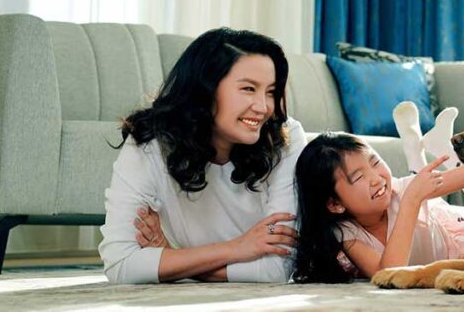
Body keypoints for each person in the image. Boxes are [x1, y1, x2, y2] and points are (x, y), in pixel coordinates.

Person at [98, 28, 307, 284]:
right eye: (249, 89)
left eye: (271, 92)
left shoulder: (285, 138)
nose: (263, 107)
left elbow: (275, 271)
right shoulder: (149, 141)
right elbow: (120, 264)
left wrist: (172, 258)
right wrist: (237, 248)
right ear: (205, 89)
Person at [290, 132, 464, 283]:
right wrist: (411, 201)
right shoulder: (347, 232)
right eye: (360, 177)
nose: (376, 178)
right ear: (335, 204)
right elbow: (390, 274)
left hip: (458, 254)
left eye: (375, 162)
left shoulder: (402, 189)